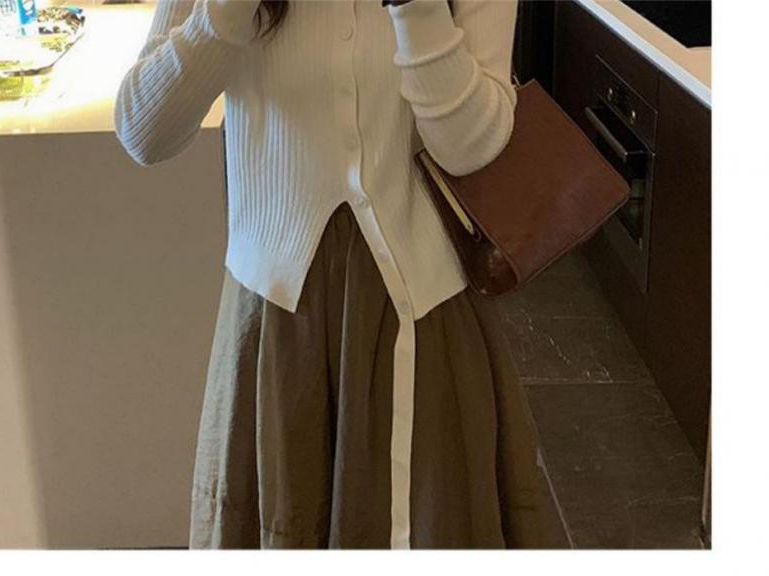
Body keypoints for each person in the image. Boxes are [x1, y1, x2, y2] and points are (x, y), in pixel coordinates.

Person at [114, 0, 566, 549]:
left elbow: (471, 148)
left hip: (426, 315)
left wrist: (417, 9)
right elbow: (145, 131)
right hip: (277, 326)